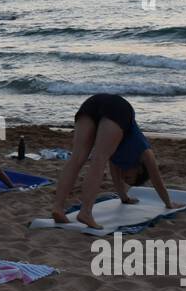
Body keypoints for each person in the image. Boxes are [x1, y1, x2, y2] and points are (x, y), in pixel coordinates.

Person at [49, 93, 174, 229]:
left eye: (126, 179)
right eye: (129, 177)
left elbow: (116, 179)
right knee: (98, 160)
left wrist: (124, 197)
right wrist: (169, 204)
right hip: (119, 108)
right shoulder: (145, 153)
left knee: (77, 158)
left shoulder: (115, 159)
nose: (124, 176)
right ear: (139, 169)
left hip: (93, 102)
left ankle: (58, 208)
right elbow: (157, 180)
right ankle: (85, 212)